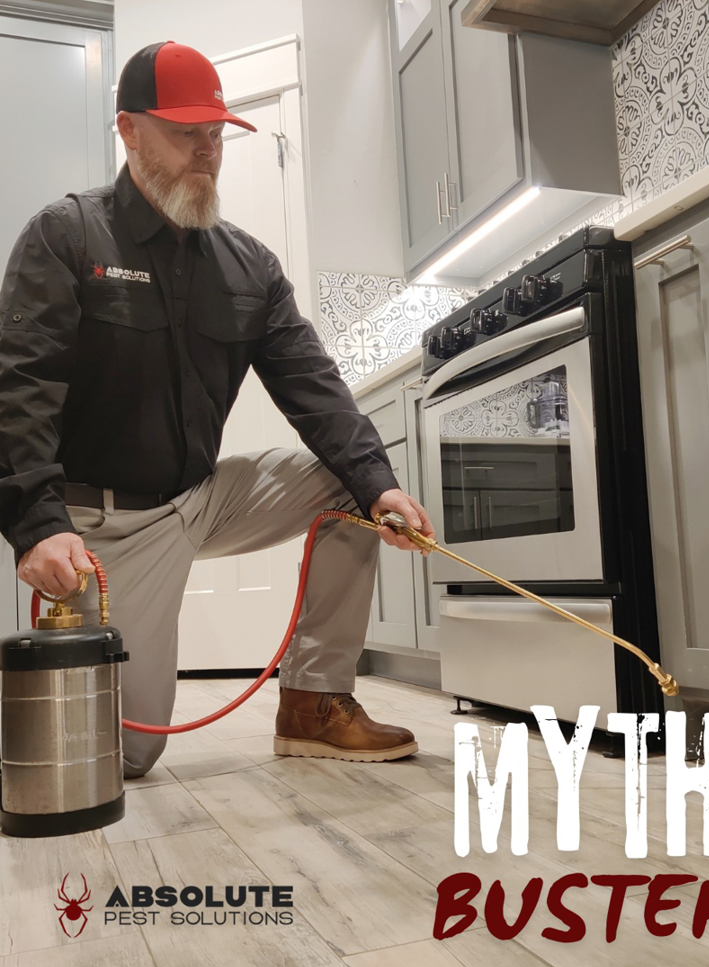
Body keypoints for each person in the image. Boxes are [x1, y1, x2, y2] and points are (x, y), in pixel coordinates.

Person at [0, 41, 435, 778]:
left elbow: (312, 384)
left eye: (216, 135)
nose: (207, 152)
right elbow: (21, 383)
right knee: (125, 756)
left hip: (199, 500)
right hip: (105, 526)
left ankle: (312, 703)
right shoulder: (68, 236)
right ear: (129, 130)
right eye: (184, 133)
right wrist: (37, 524)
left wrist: (380, 483)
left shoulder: (249, 267)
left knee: (351, 485)